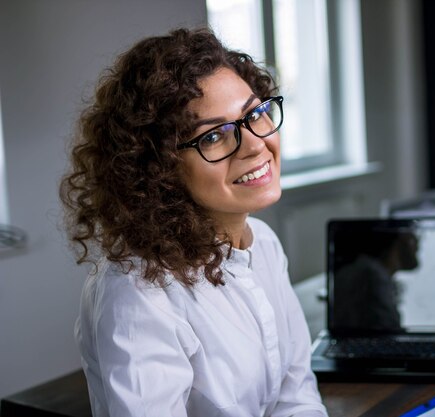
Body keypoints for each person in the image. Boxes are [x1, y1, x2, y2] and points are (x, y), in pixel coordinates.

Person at [60, 27, 328, 417]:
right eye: (214, 136)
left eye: (255, 113)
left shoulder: (264, 243)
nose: (255, 143)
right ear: (159, 168)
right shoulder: (137, 293)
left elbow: (295, 398)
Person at [332, 229, 419, 332]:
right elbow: (388, 331)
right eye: (411, 234)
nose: (417, 240)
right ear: (401, 238)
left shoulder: (367, 269)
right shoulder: (372, 276)